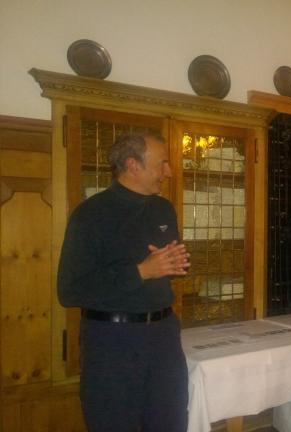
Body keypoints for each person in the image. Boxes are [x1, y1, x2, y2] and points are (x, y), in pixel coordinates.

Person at [58, 133, 191, 432]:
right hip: (111, 342)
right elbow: (69, 290)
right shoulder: (90, 214)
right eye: (162, 163)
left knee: (171, 422)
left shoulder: (163, 209)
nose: (169, 172)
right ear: (133, 165)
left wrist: (174, 265)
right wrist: (141, 272)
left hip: (164, 336)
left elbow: (165, 267)